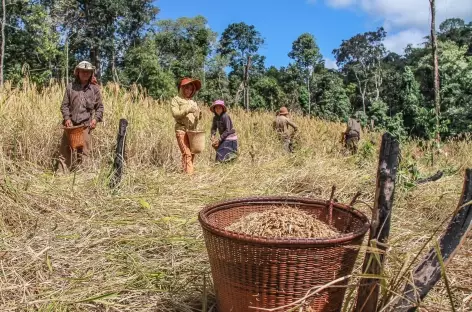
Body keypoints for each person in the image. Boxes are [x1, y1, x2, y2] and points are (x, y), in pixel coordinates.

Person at [58, 61, 104, 173]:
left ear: (91, 73)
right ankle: (61, 174)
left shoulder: (94, 90)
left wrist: (95, 119)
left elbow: (100, 108)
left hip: (85, 125)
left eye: (88, 72)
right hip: (70, 125)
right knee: (65, 151)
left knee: (84, 152)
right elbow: (64, 106)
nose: (85, 74)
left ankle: (83, 176)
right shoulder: (70, 87)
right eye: (82, 71)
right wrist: (67, 119)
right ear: (77, 72)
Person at [171, 77, 202, 174]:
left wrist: (199, 114)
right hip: (181, 130)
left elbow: (198, 117)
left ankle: (187, 172)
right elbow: (175, 114)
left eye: (191, 89)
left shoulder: (192, 102)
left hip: (192, 132)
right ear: (182, 88)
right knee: (186, 153)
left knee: (192, 154)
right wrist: (187, 110)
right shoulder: (176, 100)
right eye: (187, 88)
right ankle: (189, 176)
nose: (189, 91)